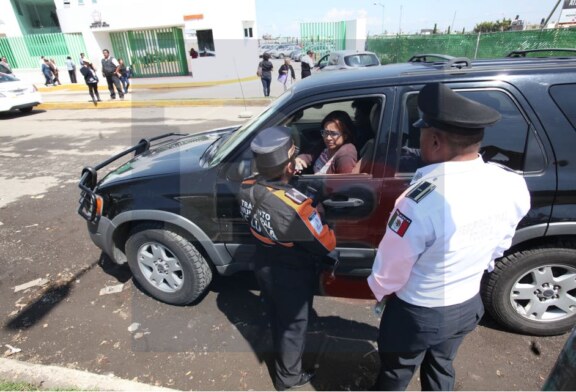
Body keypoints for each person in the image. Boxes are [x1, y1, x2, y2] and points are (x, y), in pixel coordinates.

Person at [367, 82, 531, 391]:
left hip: (418, 312)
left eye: (421, 135)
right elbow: (500, 245)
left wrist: (380, 291)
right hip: (468, 302)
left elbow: (391, 270)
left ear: (435, 141)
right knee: (442, 365)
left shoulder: (418, 203)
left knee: (396, 371)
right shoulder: (510, 184)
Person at [238, 126, 337, 391]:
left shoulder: (246, 186)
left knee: (277, 315)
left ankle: (280, 351)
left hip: (263, 263)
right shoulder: (297, 207)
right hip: (289, 273)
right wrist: (320, 213)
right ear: (290, 167)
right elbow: (326, 243)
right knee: (294, 327)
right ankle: (288, 378)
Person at [294, 110, 358, 174]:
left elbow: (345, 182)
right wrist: (300, 159)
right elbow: (310, 155)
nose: (328, 138)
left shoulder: (346, 155)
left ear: (345, 135)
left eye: (334, 134)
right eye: (325, 132)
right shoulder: (326, 145)